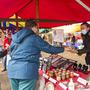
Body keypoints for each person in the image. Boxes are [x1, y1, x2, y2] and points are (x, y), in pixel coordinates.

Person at [8, 20, 64, 90]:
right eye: (37, 28)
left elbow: (10, 52)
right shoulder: (34, 37)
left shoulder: (15, 37)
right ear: (34, 27)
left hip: (12, 69)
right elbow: (49, 48)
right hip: (26, 71)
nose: (37, 30)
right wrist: (62, 49)